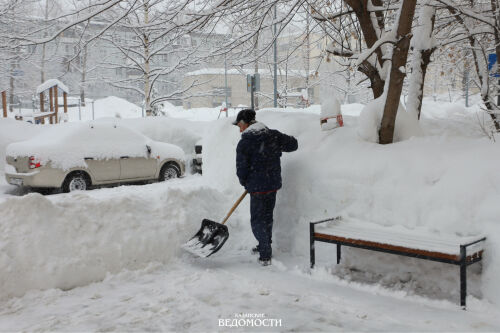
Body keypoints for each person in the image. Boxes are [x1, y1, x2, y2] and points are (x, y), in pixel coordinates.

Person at [233, 109, 298, 266]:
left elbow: (241, 169)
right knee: (267, 217)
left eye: (239, 125)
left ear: (244, 124)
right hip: (272, 185)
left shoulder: (245, 143)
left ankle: (265, 252)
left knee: (257, 221)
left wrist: (245, 182)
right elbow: (293, 145)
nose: (239, 129)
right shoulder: (273, 135)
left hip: (257, 188)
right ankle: (265, 244)